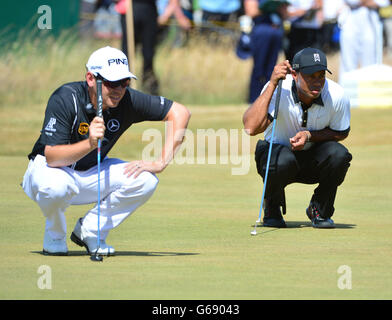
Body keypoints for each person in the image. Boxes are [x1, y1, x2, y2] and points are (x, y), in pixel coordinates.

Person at [22, 46, 191, 256]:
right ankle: (55, 234)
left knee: (146, 179)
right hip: (49, 172)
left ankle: (90, 229)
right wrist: (90, 144)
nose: (119, 89)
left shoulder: (127, 99)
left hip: (92, 172)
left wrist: (161, 162)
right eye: (111, 83)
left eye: (125, 82)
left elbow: (180, 112)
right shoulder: (66, 98)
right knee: (56, 186)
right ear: (91, 78)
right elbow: (52, 157)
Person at [243, 47, 352, 228]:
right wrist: (271, 84)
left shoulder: (337, 95)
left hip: (313, 160)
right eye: (311, 76)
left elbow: (341, 132)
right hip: (277, 159)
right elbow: (251, 128)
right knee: (280, 159)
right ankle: (272, 206)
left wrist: (310, 136)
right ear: (295, 74)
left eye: (321, 76)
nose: (317, 82)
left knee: (339, 155)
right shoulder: (278, 89)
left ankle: (319, 209)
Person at [241, 0, 289, 103]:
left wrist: (280, 8)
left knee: (271, 69)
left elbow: (285, 15)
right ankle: (254, 99)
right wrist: (268, 8)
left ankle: (269, 99)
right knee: (259, 67)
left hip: (276, 32)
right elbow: (251, 12)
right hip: (261, 31)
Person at [115, 0, 160, 95]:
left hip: (148, 9)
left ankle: (149, 87)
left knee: (148, 54)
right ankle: (124, 86)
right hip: (130, 8)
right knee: (127, 53)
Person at [338, 0, 389, 83]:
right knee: (348, 60)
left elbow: (383, 2)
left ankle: (370, 89)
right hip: (350, 15)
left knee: (371, 61)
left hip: (371, 17)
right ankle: (347, 90)